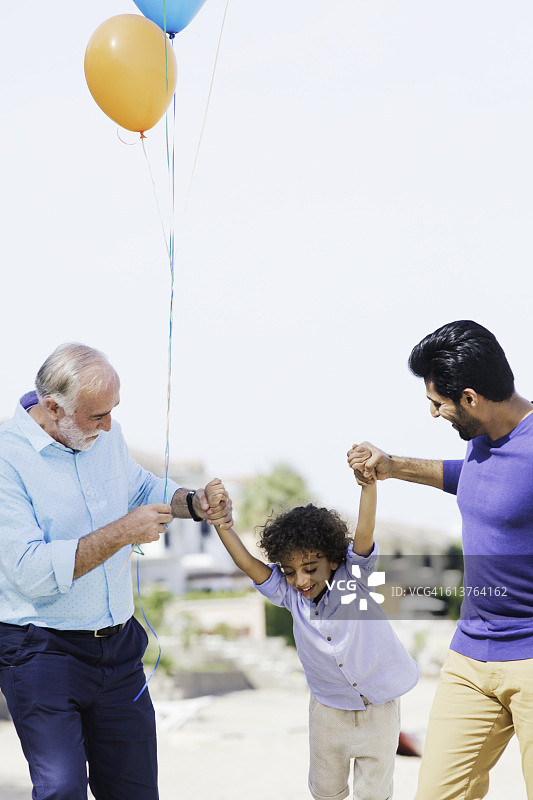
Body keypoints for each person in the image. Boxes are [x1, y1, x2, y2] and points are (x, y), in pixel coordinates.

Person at [0, 343, 233, 800]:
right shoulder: (6, 460)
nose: (108, 426)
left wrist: (193, 501)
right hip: (41, 650)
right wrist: (123, 532)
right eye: (95, 416)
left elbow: (142, 487)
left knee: (135, 791)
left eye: (112, 412)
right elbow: (29, 571)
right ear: (51, 407)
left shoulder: (105, 435)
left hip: (120, 649)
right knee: (61, 790)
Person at [347, 319, 533, 800]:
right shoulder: (480, 442)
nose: (433, 413)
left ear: (470, 398)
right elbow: (476, 480)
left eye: (438, 403)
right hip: (470, 658)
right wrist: (392, 467)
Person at [209, 452, 418, 800]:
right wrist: (221, 525)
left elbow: (365, 530)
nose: (299, 580)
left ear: (333, 559)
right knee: (325, 791)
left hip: (379, 705)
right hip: (329, 710)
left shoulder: (354, 577)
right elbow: (247, 563)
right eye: (289, 571)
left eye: (309, 568)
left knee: (374, 792)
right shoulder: (289, 595)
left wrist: (368, 486)